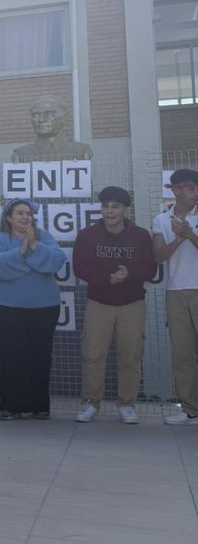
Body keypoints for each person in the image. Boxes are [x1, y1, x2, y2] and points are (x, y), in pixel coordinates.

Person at [72, 186, 156, 424]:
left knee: (131, 355)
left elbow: (150, 268)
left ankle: (126, 404)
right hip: (98, 302)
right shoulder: (87, 235)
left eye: (115, 207)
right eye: (105, 206)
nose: (110, 211)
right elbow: (80, 267)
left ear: (126, 209)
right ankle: (90, 403)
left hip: (132, 303)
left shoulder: (141, 236)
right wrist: (107, 278)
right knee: (93, 354)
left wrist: (129, 274)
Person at [0, 199, 65, 420]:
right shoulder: (0, 239)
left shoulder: (44, 237)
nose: (25, 217)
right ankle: (9, 406)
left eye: (28, 213)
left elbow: (57, 261)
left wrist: (34, 246)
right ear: (9, 218)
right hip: (8, 309)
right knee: (11, 356)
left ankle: (40, 406)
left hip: (44, 308)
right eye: (19, 213)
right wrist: (21, 251)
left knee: (40, 356)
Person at [152, 168, 198, 425]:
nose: (195, 193)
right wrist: (179, 239)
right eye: (191, 188)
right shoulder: (161, 220)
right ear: (176, 190)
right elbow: (158, 257)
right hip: (175, 292)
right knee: (182, 353)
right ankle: (191, 409)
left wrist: (189, 233)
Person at [11, 94, 93, 162]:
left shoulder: (81, 152)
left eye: (49, 114)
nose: (41, 119)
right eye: (35, 115)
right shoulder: (22, 154)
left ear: (64, 116)